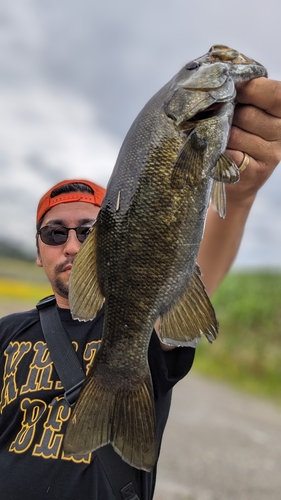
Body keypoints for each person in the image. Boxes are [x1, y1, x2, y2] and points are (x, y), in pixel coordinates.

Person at [0, 76, 281, 500]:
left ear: (108, 242)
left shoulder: (138, 321)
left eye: (88, 230)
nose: (72, 245)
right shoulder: (6, 333)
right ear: (38, 251)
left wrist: (238, 196)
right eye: (55, 233)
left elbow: (193, 270)